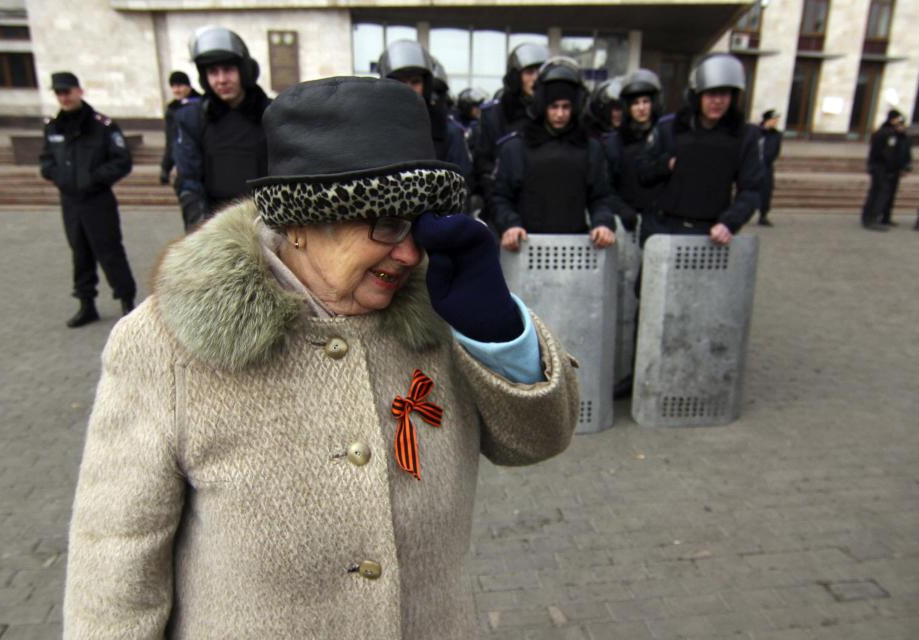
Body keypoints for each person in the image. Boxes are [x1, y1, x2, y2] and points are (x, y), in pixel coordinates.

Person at [62, 76, 579, 638]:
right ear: (301, 223)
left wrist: (501, 334)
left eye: (419, 226)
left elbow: (539, 441)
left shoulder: (443, 310)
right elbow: (116, 556)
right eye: (385, 224)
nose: (408, 252)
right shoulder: (166, 344)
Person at [39, 71, 136, 328]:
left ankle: (127, 301)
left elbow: (122, 161)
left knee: (110, 250)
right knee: (79, 253)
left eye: (67, 91)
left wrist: (94, 179)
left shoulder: (101, 126)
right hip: (70, 202)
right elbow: (46, 161)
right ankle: (86, 304)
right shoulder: (53, 127)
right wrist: (58, 176)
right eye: (59, 93)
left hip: (98, 199)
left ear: (79, 91)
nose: (64, 97)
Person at [490, 57, 617, 251]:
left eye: (566, 107)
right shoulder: (516, 147)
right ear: (543, 106)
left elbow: (601, 197)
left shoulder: (590, 148)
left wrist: (602, 223)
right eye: (554, 107)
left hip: (574, 249)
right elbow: (501, 197)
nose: (560, 114)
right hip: (525, 247)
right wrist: (510, 224)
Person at [637, 53, 763, 247]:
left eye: (724, 94)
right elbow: (643, 172)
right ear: (697, 95)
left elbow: (751, 189)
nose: (718, 101)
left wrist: (729, 223)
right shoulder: (670, 127)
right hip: (664, 229)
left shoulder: (744, 135)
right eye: (711, 94)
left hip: (709, 234)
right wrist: (665, 165)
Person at [173, 26, 271, 231]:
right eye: (213, 72)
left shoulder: (271, 114)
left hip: (266, 224)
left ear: (244, 70)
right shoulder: (192, 118)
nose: (221, 79)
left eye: (228, 70)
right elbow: (189, 180)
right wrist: (198, 228)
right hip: (216, 226)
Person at [378, 41, 471, 186]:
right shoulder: (375, 131)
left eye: (415, 81)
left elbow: (461, 188)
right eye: (399, 81)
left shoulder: (448, 132)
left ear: (426, 85)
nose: (407, 89)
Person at [472, 42, 549, 206]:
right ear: (516, 77)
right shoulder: (494, 114)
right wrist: (494, 198)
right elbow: (484, 163)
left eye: (539, 72)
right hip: (503, 199)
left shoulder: (551, 112)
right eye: (529, 72)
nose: (535, 79)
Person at [602, 68, 665, 234]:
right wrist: (621, 208)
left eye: (646, 102)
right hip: (626, 224)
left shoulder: (665, 137)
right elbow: (605, 188)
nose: (641, 108)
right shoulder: (614, 143)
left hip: (660, 223)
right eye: (636, 103)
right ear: (627, 107)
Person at [861, 109, 912, 231]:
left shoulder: (893, 134)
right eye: (899, 121)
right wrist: (891, 167)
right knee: (879, 193)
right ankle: (871, 219)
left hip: (886, 168)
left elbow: (902, 151)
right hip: (881, 168)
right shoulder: (886, 133)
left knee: (882, 193)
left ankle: (878, 217)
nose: (901, 124)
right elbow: (885, 153)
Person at [160, 71, 201, 187]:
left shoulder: (201, 105)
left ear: (188, 86)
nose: (176, 90)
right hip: (184, 165)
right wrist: (165, 167)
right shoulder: (172, 109)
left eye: (179, 86)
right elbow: (171, 141)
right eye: (173, 86)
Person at [757, 109, 782, 227]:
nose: (776, 122)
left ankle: (763, 215)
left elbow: (776, 151)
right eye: (774, 120)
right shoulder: (755, 132)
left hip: (767, 166)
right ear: (767, 120)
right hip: (753, 165)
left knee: (767, 190)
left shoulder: (777, 135)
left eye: (776, 120)